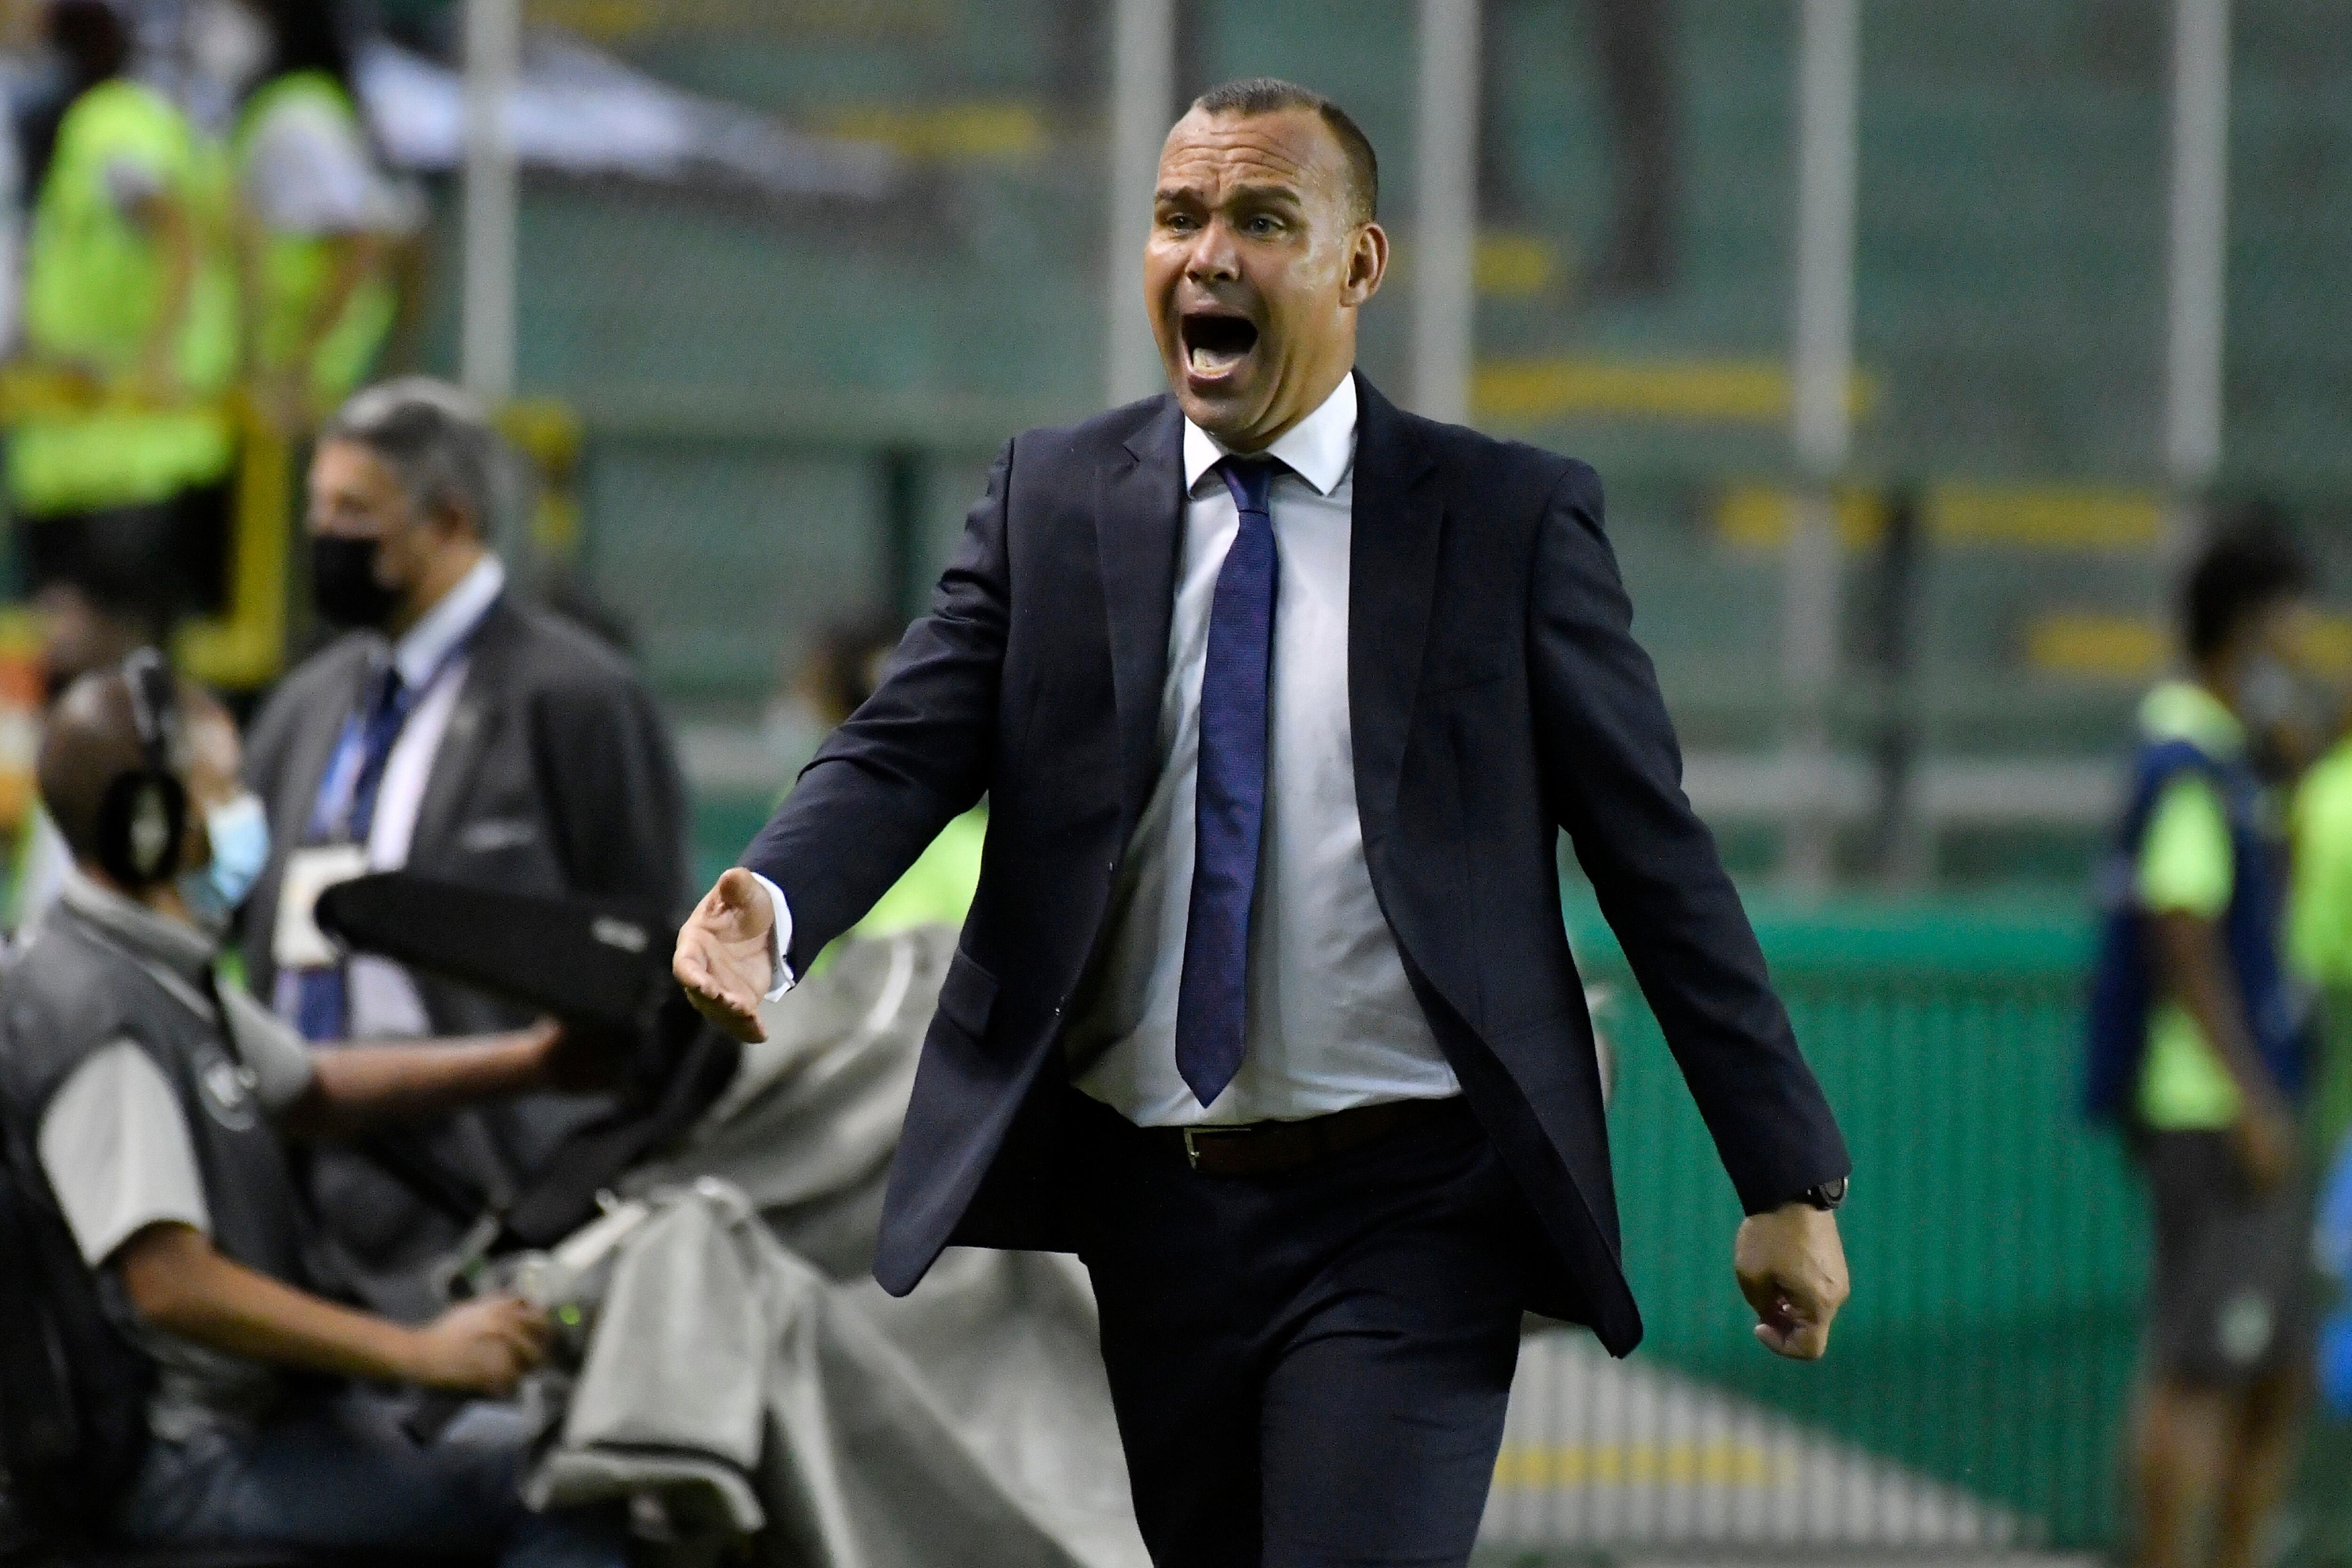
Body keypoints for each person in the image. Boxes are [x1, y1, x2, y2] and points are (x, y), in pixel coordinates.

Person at [676, 78, 1851, 1568]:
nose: (1208, 253)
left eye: (1260, 220)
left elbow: (1655, 858)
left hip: (1412, 1205)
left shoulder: (1504, 523)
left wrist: (1784, 1178)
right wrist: (771, 907)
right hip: (1152, 1208)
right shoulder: (1051, 499)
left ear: (1358, 267)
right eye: (1178, 216)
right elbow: (906, 744)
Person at [0, 653, 622, 1566]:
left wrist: (533, 1062)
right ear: (149, 823)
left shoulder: (145, 968)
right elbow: (170, 1282)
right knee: (557, 1483)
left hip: (250, 1420)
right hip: (186, 1460)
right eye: (226, 788)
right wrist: (418, 1352)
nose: (247, 810)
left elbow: (309, 1087)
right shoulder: (101, 1019)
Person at [242, 377, 689, 1314]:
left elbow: (647, 953)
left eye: (353, 511)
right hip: (308, 1177)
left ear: (448, 520)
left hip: (486, 1181)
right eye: (317, 506)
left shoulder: (573, 700)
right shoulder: (308, 706)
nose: (323, 533)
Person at [2083, 520, 2318, 1568]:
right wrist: (2250, 1098)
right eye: (2292, 620)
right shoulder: (2186, 765)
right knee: (2198, 1366)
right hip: (2207, 1111)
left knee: (2266, 1366)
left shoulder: (2220, 755)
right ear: (2251, 625)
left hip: (2222, 1103)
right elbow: (2180, 930)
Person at [10, 0, 241, 645]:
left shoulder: (111, 123)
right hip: (93, 450)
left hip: (129, 456)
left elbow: (176, 227)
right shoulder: (118, 127)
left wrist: (156, 358)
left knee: (113, 660)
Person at [230, 0, 419, 434]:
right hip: (311, 388)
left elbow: (360, 248)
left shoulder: (297, 117)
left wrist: (297, 366)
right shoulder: (324, 108)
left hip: (294, 395)